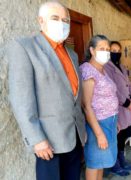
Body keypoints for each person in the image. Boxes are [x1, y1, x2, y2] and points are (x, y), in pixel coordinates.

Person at [7, 1, 86, 180]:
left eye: (66, 20)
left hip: (74, 135)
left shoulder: (71, 54)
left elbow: (73, 94)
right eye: (55, 18)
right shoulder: (25, 47)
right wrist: (36, 139)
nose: (62, 23)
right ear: (41, 21)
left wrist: (82, 130)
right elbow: (21, 99)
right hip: (48, 141)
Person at [80, 35, 119, 180]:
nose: (106, 51)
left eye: (108, 49)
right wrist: (99, 134)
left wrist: (115, 121)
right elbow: (86, 106)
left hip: (109, 122)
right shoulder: (88, 71)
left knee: (101, 162)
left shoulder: (102, 70)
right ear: (92, 50)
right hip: (97, 124)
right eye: (101, 48)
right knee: (94, 163)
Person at [104, 41, 131, 176]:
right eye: (113, 50)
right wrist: (126, 102)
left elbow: (129, 84)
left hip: (127, 107)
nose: (116, 53)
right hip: (118, 107)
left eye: (118, 51)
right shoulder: (106, 67)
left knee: (123, 135)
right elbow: (112, 89)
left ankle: (122, 160)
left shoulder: (122, 67)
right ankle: (114, 164)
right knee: (116, 136)